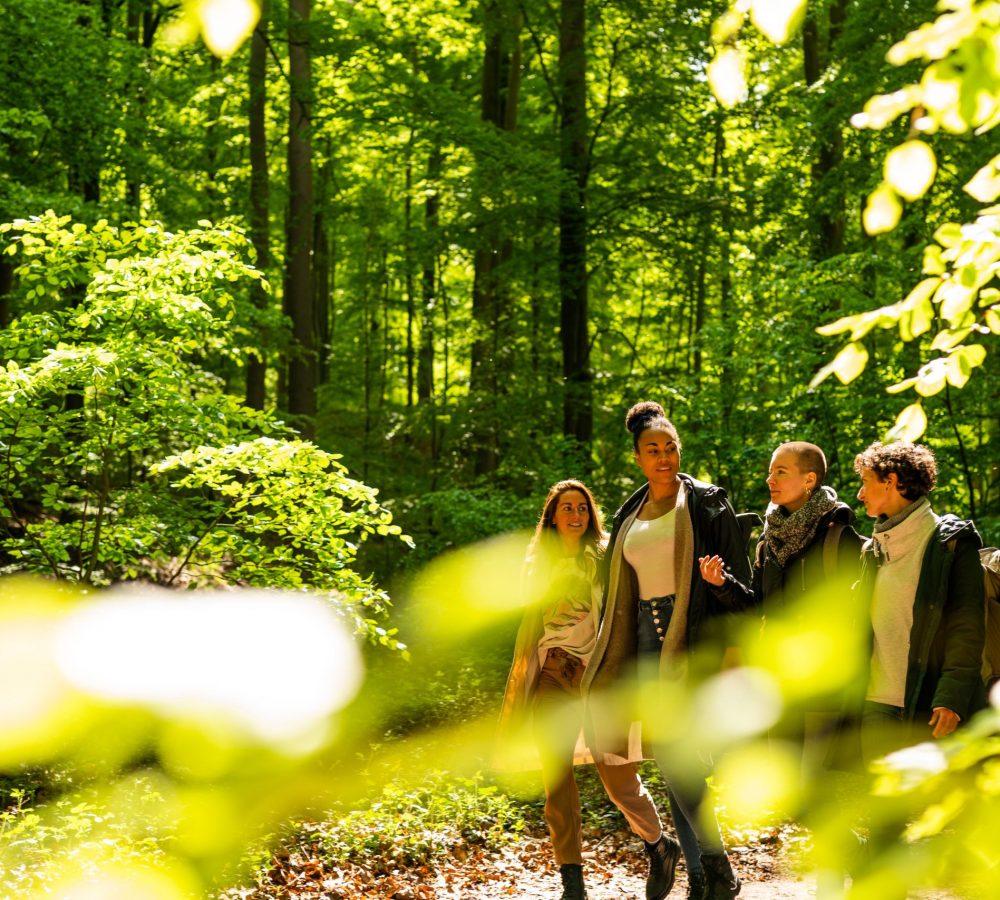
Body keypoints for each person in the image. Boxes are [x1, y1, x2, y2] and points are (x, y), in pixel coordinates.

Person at [581, 403, 752, 900]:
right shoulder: (628, 514)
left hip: (692, 638)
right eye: (653, 450)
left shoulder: (707, 503)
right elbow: (616, 589)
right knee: (671, 759)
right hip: (641, 645)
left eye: (671, 447)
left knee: (680, 756)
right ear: (636, 456)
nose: (664, 456)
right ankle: (704, 875)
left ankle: (717, 868)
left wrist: (734, 652)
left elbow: (736, 585)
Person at [497, 479, 679, 900]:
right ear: (553, 517)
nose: (576, 515)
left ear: (589, 514)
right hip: (553, 676)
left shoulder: (605, 555)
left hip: (599, 675)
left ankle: (658, 844)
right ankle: (572, 882)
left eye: (582, 508)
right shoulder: (537, 563)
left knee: (616, 776)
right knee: (556, 778)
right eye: (566, 509)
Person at [853, 441, 986, 761]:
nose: (860, 493)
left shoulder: (952, 544)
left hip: (932, 705)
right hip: (876, 705)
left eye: (865, 481)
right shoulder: (871, 551)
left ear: (892, 481)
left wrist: (951, 698)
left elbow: (966, 629)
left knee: (934, 808)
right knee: (885, 810)